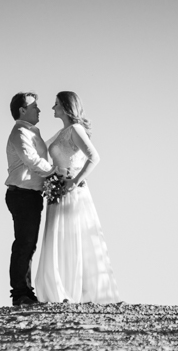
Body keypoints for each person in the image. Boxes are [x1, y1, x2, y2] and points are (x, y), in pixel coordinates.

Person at [35, 91, 120, 303]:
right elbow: (42, 149)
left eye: (56, 105)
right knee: (58, 237)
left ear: (65, 107)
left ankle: (79, 291)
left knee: (74, 236)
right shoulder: (60, 132)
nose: (52, 108)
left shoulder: (75, 130)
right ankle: (61, 289)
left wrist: (74, 181)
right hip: (56, 190)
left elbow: (94, 157)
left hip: (71, 190)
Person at [4, 92, 56, 307]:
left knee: (28, 244)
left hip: (30, 194)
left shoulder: (32, 132)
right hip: (22, 194)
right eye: (34, 106)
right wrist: (54, 172)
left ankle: (25, 292)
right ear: (22, 110)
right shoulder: (20, 132)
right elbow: (32, 160)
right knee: (24, 244)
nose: (39, 110)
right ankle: (20, 294)